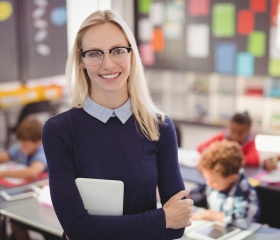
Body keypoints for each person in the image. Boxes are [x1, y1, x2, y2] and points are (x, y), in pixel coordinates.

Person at [42, 10, 193, 240]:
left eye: (118, 50)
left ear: (132, 54)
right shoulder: (59, 131)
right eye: (94, 53)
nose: (108, 64)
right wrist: (162, 218)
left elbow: (178, 224)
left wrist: (98, 229)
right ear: (81, 59)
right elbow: (77, 228)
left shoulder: (159, 126)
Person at [0, 116, 50, 240]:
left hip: (40, 199)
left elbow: (32, 172)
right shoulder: (22, 146)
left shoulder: (43, 150)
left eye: (26, 145)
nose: (22, 148)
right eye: (20, 143)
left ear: (39, 142)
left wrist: (2, 173)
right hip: (21, 194)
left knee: (15, 221)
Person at [190, 140, 260, 229]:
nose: (208, 183)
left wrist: (208, 215)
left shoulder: (244, 190)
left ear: (232, 178)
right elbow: (197, 194)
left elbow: (242, 220)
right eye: (207, 179)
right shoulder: (214, 182)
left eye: (213, 181)